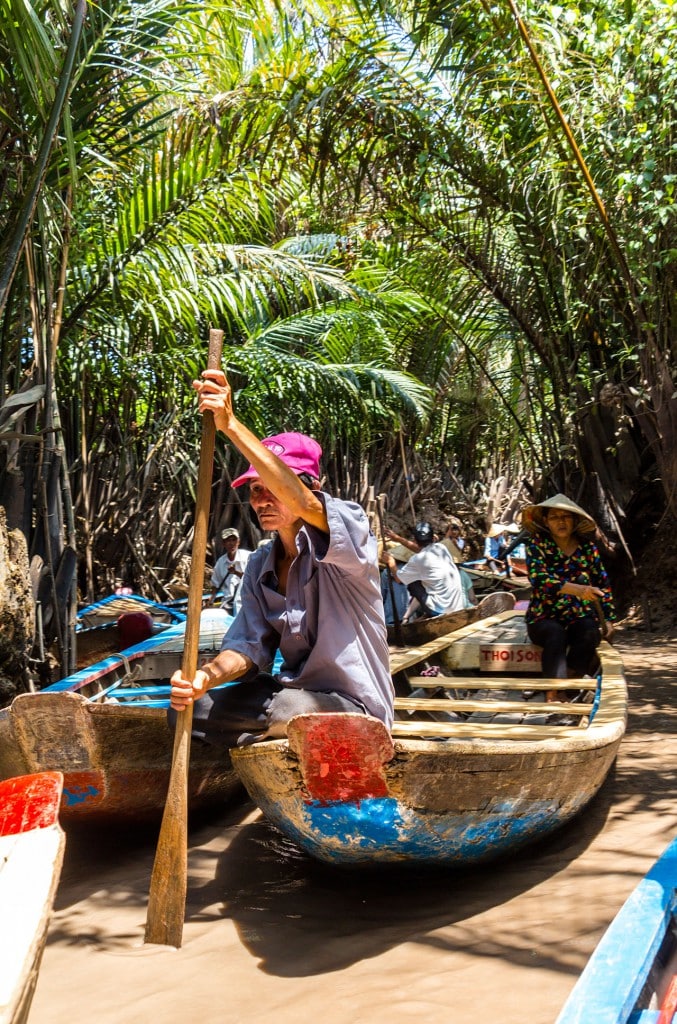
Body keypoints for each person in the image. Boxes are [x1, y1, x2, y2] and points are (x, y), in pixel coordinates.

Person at [169, 368, 394, 747]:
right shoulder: (260, 566)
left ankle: (268, 738)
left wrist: (231, 424)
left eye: (272, 487)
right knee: (196, 710)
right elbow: (248, 648)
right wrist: (202, 678)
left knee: (289, 710)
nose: (260, 499)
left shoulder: (349, 530)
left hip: (356, 708)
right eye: (255, 489)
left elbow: (304, 503)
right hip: (287, 700)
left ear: (312, 488)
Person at [522, 494, 616, 697]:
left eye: (566, 516)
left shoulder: (588, 548)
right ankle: (552, 696)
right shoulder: (537, 544)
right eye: (554, 517)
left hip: (577, 615)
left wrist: (608, 619)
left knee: (590, 631)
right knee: (555, 633)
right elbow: (539, 578)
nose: (561, 521)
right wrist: (578, 590)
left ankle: (570, 680)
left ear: (574, 521)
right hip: (542, 617)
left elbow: (602, 584)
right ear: (546, 521)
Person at [383, 521, 468, 618]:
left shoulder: (417, 560)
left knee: (408, 581)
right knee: (416, 577)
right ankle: (407, 616)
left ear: (415, 540)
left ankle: (394, 618)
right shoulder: (441, 548)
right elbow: (421, 550)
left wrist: (391, 562)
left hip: (439, 610)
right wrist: (398, 539)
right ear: (433, 538)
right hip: (456, 606)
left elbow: (399, 579)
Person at [209, 527, 252, 615]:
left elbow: (252, 579)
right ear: (223, 543)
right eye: (228, 541)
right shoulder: (221, 562)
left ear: (238, 542)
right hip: (228, 602)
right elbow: (215, 585)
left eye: (233, 540)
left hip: (247, 601)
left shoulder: (248, 557)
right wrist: (211, 599)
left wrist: (236, 572)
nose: (231, 543)